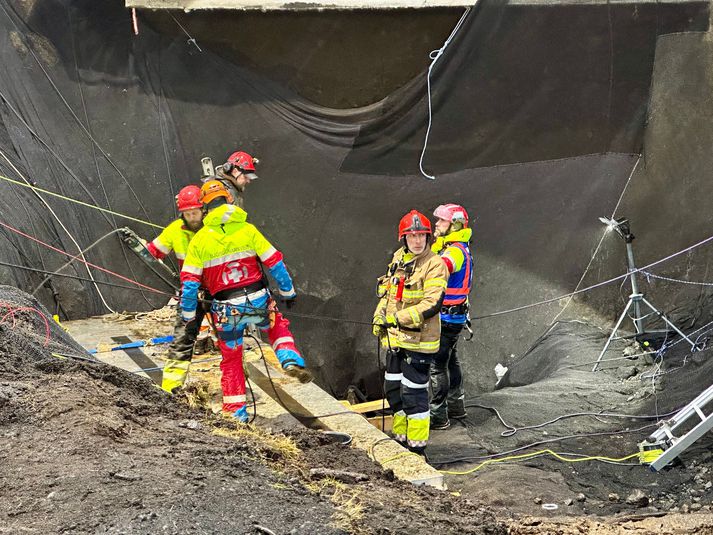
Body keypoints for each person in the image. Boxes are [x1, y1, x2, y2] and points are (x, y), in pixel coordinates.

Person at [180, 180, 311, 423]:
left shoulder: (199, 241)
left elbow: (189, 284)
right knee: (276, 327)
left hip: (226, 310)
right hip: (257, 300)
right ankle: (289, 359)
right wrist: (288, 292)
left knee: (231, 358)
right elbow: (275, 262)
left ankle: (236, 412)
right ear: (229, 200)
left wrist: (188, 316)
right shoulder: (248, 230)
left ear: (205, 208)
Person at [118, 185, 209, 393]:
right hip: (190, 294)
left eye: (195, 212)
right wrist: (137, 244)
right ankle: (171, 390)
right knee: (182, 340)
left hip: (217, 292)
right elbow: (154, 253)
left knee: (230, 342)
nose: (192, 217)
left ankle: (237, 387)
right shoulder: (176, 229)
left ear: (203, 209)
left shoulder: (213, 228)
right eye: (188, 213)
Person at [373, 210, 448, 454]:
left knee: (414, 396)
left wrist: (396, 319)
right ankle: (401, 439)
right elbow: (388, 294)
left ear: (428, 238)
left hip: (419, 343)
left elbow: (432, 303)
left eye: (421, 236)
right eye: (411, 236)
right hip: (396, 341)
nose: (417, 240)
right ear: (404, 238)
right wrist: (379, 315)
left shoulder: (434, 265)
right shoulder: (399, 260)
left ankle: (417, 449)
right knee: (394, 391)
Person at [429, 204, 474, 430]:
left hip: (446, 319)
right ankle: (456, 406)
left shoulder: (454, 251)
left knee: (437, 365)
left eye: (442, 221)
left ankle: (438, 415)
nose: (437, 224)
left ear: (454, 224)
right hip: (455, 317)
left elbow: (444, 267)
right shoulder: (457, 247)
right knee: (451, 361)